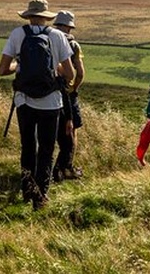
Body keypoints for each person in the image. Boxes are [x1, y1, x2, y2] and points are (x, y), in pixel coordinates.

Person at [0, 0, 75, 209]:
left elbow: (2, 69)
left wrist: (19, 65)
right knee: (47, 149)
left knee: (28, 146)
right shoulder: (57, 36)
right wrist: (56, 71)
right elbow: (70, 73)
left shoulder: (17, 34)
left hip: (24, 100)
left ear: (28, 16)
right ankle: (41, 195)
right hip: (51, 102)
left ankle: (27, 188)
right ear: (46, 16)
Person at [51, 10, 86, 182]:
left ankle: (47, 167)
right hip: (67, 94)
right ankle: (66, 167)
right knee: (72, 132)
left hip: (48, 93)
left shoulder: (47, 39)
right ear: (69, 27)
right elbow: (80, 72)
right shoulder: (73, 45)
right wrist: (74, 89)